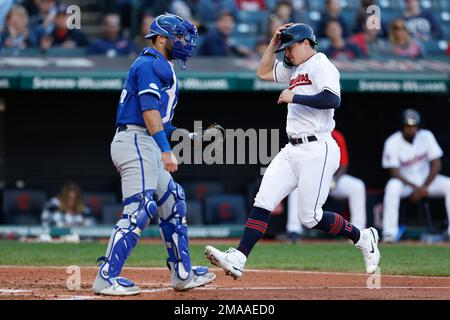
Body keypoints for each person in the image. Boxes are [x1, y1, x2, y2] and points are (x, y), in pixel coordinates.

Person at [205, 23, 380, 280]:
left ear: (307, 43)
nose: (287, 53)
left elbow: (333, 100)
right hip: (292, 148)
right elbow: (263, 72)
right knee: (263, 200)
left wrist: (294, 97)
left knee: (311, 217)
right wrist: (274, 43)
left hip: (317, 147)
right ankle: (239, 257)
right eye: (284, 49)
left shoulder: (321, 64)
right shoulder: (294, 68)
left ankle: (364, 237)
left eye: (291, 47)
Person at [92, 13, 216, 296]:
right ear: (161, 38)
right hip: (136, 140)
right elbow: (148, 113)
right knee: (140, 208)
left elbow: (161, 120)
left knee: (173, 199)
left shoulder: (160, 64)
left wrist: (186, 136)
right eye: (179, 37)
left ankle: (182, 273)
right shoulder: (149, 64)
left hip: (144, 139)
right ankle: (106, 277)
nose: (184, 42)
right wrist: (166, 150)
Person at [381, 109, 450, 242]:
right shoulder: (392, 142)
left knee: (449, 184)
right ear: (402, 127)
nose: (411, 130)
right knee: (392, 187)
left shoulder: (426, 136)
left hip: (426, 181)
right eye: (408, 126)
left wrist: (424, 187)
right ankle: (390, 233)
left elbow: (437, 165)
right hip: (405, 183)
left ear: (418, 126)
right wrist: (415, 188)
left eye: (413, 126)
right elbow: (394, 172)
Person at [286, 129, 367, 241]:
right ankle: (294, 230)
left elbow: (343, 164)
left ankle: (359, 231)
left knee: (357, 186)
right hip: (311, 179)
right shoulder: (306, 135)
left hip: (332, 180)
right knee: (295, 188)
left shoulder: (336, 136)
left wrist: (333, 180)